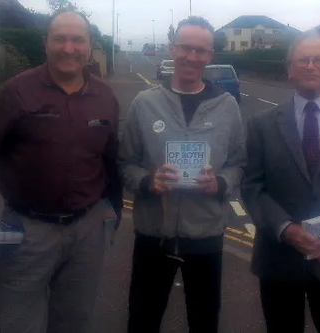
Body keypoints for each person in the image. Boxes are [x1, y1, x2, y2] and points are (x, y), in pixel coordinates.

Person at [0, 10, 123, 333]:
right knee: (10, 322)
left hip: (88, 230)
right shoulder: (16, 92)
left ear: (90, 46)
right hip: (26, 230)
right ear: (45, 44)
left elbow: (112, 161)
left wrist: (112, 215)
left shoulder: (106, 97)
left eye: (77, 40)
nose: (69, 48)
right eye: (60, 39)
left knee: (74, 323)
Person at [118, 16, 246, 333]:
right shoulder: (145, 103)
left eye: (201, 50)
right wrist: (148, 182)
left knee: (204, 322)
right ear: (172, 49)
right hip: (153, 235)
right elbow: (125, 162)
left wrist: (221, 183)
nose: (192, 57)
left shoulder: (227, 106)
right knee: (142, 321)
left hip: (206, 237)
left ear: (210, 55)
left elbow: (239, 163)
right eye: (186, 48)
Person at [241, 31, 320, 333]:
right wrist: (286, 229)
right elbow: (252, 187)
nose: (310, 66)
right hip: (279, 262)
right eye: (303, 59)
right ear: (289, 69)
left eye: (319, 60)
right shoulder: (261, 124)